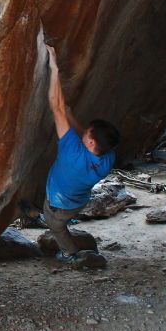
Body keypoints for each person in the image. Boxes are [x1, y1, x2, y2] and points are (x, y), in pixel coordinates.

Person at [43, 45, 120, 266]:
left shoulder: (71, 153)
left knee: (55, 226)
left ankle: (70, 253)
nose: (83, 130)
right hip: (77, 202)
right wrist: (72, 116)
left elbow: (55, 106)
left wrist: (53, 66)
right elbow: (83, 136)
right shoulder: (107, 157)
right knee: (59, 216)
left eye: (86, 132)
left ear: (90, 142)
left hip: (57, 203)